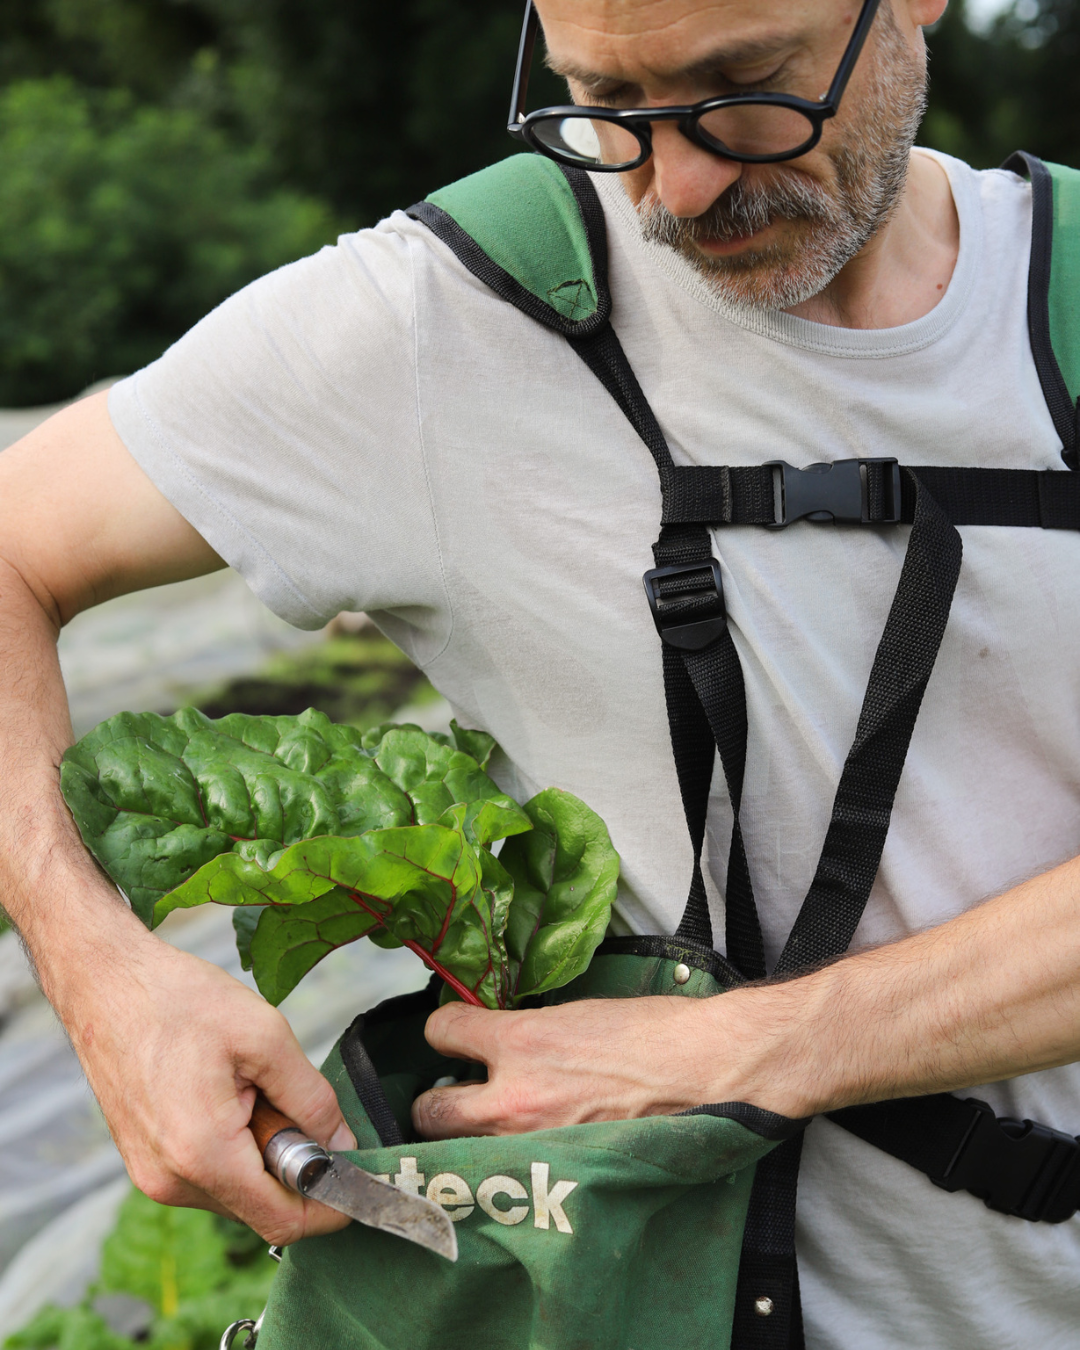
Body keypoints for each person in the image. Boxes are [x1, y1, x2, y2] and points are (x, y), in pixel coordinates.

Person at [1, 0, 1077, 1344]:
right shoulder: (443, 321)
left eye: (746, 84)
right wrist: (100, 975)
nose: (676, 187)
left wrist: (748, 1047)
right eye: (605, 102)